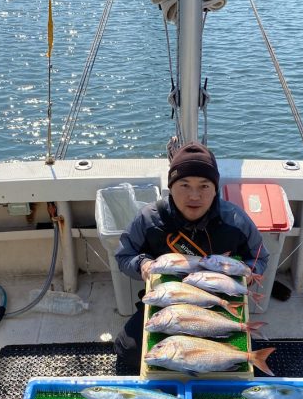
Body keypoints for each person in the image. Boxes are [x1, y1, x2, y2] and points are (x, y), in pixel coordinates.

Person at [114, 141, 269, 369]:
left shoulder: (235, 220)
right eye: (184, 185)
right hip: (167, 304)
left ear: (215, 189)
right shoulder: (149, 218)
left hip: (220, 303)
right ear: (171, 187)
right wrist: (142, 264)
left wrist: (247, 274)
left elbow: (259, 257)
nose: (194, 196)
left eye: (204, 186)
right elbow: (124, 255)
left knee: (244, 363)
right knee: (128, 349)